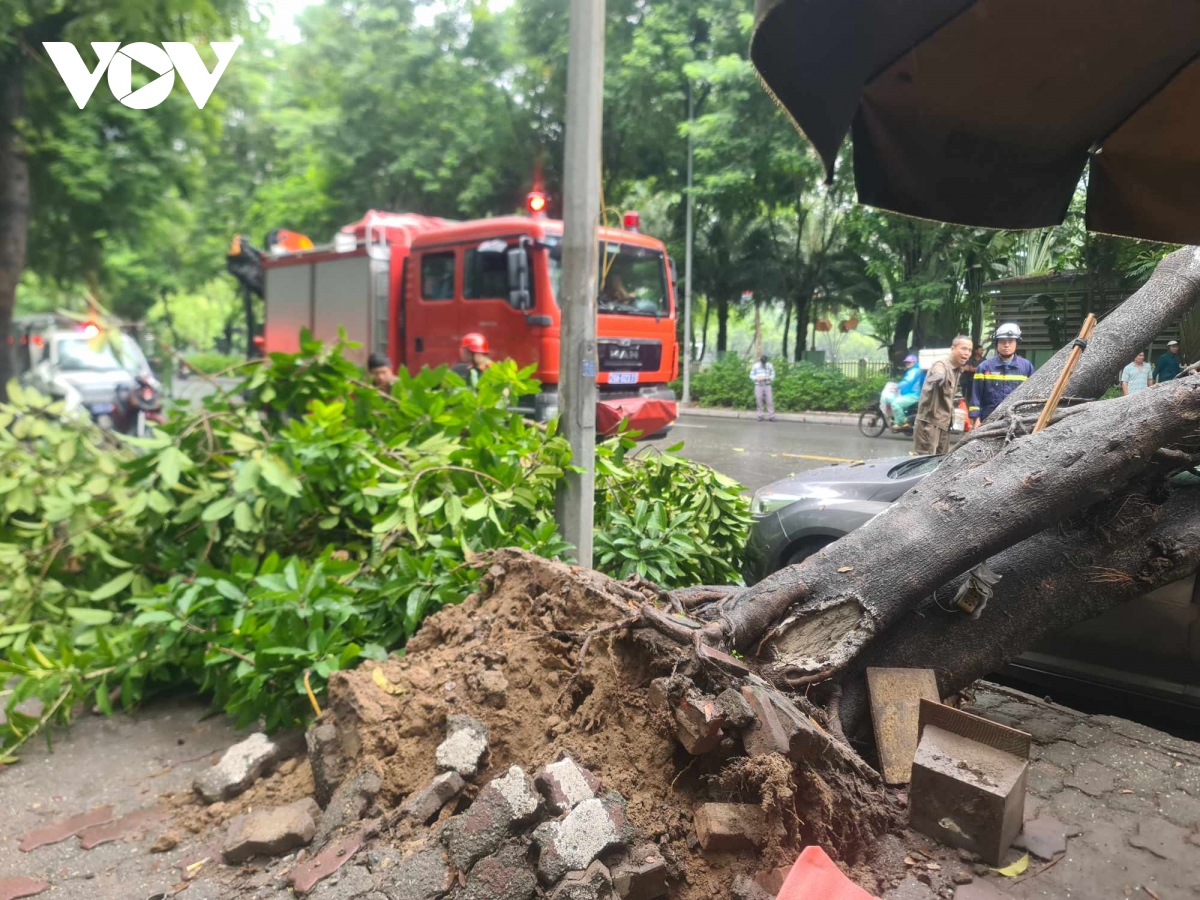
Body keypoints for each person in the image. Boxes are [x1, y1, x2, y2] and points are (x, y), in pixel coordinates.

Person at [914, 336, 973, 456]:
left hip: (944, 424)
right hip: (930, 424)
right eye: (964, 349)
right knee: (923, 462)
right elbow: (939, 370)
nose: (967, 353)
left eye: (970, 350)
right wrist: (939, 376)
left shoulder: (957, 370)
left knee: (940, 463)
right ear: (953, 349)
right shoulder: (941, 365)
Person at [969, 323, 1035, 422]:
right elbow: (976, 396)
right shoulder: (984, 367)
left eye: (1011, 341)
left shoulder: (1027, 367)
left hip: (1017, 419)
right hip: (988, 418)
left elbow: (1032, 396)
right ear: (997, 343)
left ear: (1017, 343)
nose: (1006, 345)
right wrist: (976, 419)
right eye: (1002, 341)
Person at [891, 354, 925, 428]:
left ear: (914, 362)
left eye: (909, 362)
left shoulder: (914, 371)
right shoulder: (917, 370)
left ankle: (902, 422)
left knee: (895, 404)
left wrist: (897, 386)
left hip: (913, 395)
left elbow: (906, 381)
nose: (907, 363)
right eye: (906, 362)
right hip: (913, 394)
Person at [750, 354, 776, 422]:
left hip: (767, 385)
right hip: (758, 385)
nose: (764, 363)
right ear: (761, 361)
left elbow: (773, 374)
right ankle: (760, 416)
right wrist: (756, 378)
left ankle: (771, 416)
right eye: (763, 362)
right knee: (759, 401)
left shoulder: (769, 365)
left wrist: (770, 378)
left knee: (769, 401)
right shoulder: (756, 366)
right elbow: (751, 375)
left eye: (765, 362)